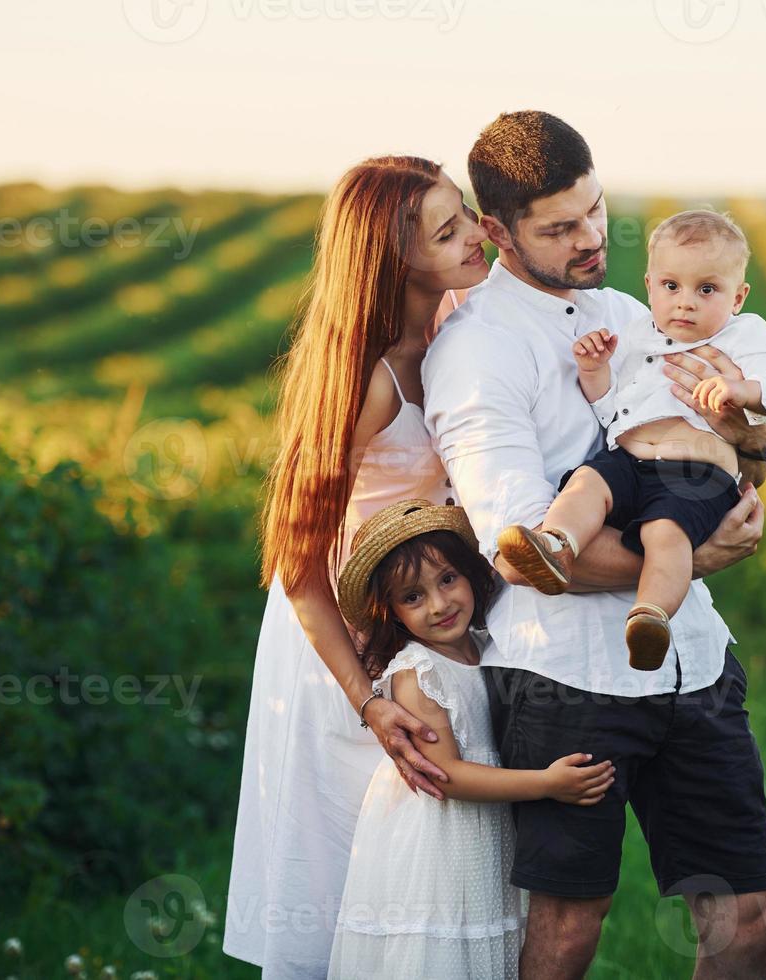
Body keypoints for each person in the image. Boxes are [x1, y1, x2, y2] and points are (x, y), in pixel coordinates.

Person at [421, 111, 766, 978]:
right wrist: (693, 560)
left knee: (752, 916)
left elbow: (736, 456)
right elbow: (519, 552)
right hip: (566, 678)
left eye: (595, 211)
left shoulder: (637, 309)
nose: (591, 238)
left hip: (690, 664)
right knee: (567, 932)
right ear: (496, 231)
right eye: (559, 227)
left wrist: (759, 442)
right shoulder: (477, 353)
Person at [224, 156, 490, 979]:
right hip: (337, 646)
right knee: (341, 866)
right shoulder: (367, 378)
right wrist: (368, 699)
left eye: (468, 214)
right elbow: (297, 562)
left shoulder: (458, 322)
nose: (477, 236)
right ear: (393, 259)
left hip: (413, 625)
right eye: (448, 232)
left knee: (410, 869)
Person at [497, 208, 766, 670]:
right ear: (650, 286)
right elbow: (612, 409)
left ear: (738, 297)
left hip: (695, 472)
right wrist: (594, 371)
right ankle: (557, 545)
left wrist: (744, 391)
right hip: (630, 459)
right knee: (585, 484)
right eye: (671, 287)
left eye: (707, 290)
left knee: (666, 534)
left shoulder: (744, 334)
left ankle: (651, 615)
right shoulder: (639, 333)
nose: (685, 303)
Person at [326, 498, 615, 979]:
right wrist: (547, 783)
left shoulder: (488, 646)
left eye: (447, 580)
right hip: (441, 844)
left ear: (470, 574)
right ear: (393, 613)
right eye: (413, 597)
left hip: (480, 838)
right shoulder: (419, 672)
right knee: (443, 954)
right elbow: (449, 776)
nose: (439, 605)